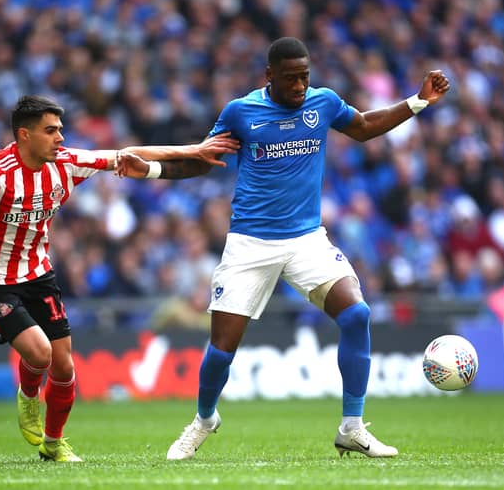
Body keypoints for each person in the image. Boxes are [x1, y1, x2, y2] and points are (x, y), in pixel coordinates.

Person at [161, 37, 450, 459]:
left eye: (304, 77)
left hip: (305, 239)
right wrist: (151, 168)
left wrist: (417, 102)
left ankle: (352, 426)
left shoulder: (324, 103)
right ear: (269, 76)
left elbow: (365, 127)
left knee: (357, 314)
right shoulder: (241, 112)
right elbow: (200, 160)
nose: (299, 86)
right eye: (290, 79)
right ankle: (205, 418)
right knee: (221, 350)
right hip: (250, 243)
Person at [0, 95, 239, 462]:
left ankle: (53, 443)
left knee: (64, 366)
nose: (60, 137)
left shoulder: (67, 163)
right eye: (50, 130)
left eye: (60, 129)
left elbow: (128, 152)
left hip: (37, 272)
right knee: (40, 354)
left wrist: (193, 149)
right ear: (24, 135)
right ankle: (29, 397)